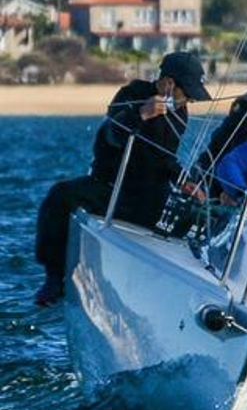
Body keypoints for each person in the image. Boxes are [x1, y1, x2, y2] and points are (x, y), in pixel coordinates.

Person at [34, 51, 212, 306]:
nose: (191, 100)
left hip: (149, 195)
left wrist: (184, 180)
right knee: (58, 196)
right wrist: (140, 115)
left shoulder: (180, 114)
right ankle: (53, 278)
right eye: (189, 93)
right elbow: (108, 137)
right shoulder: (131, 95)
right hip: (110, 189)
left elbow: (164, 158)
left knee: (198, 214)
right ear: (169, 83)